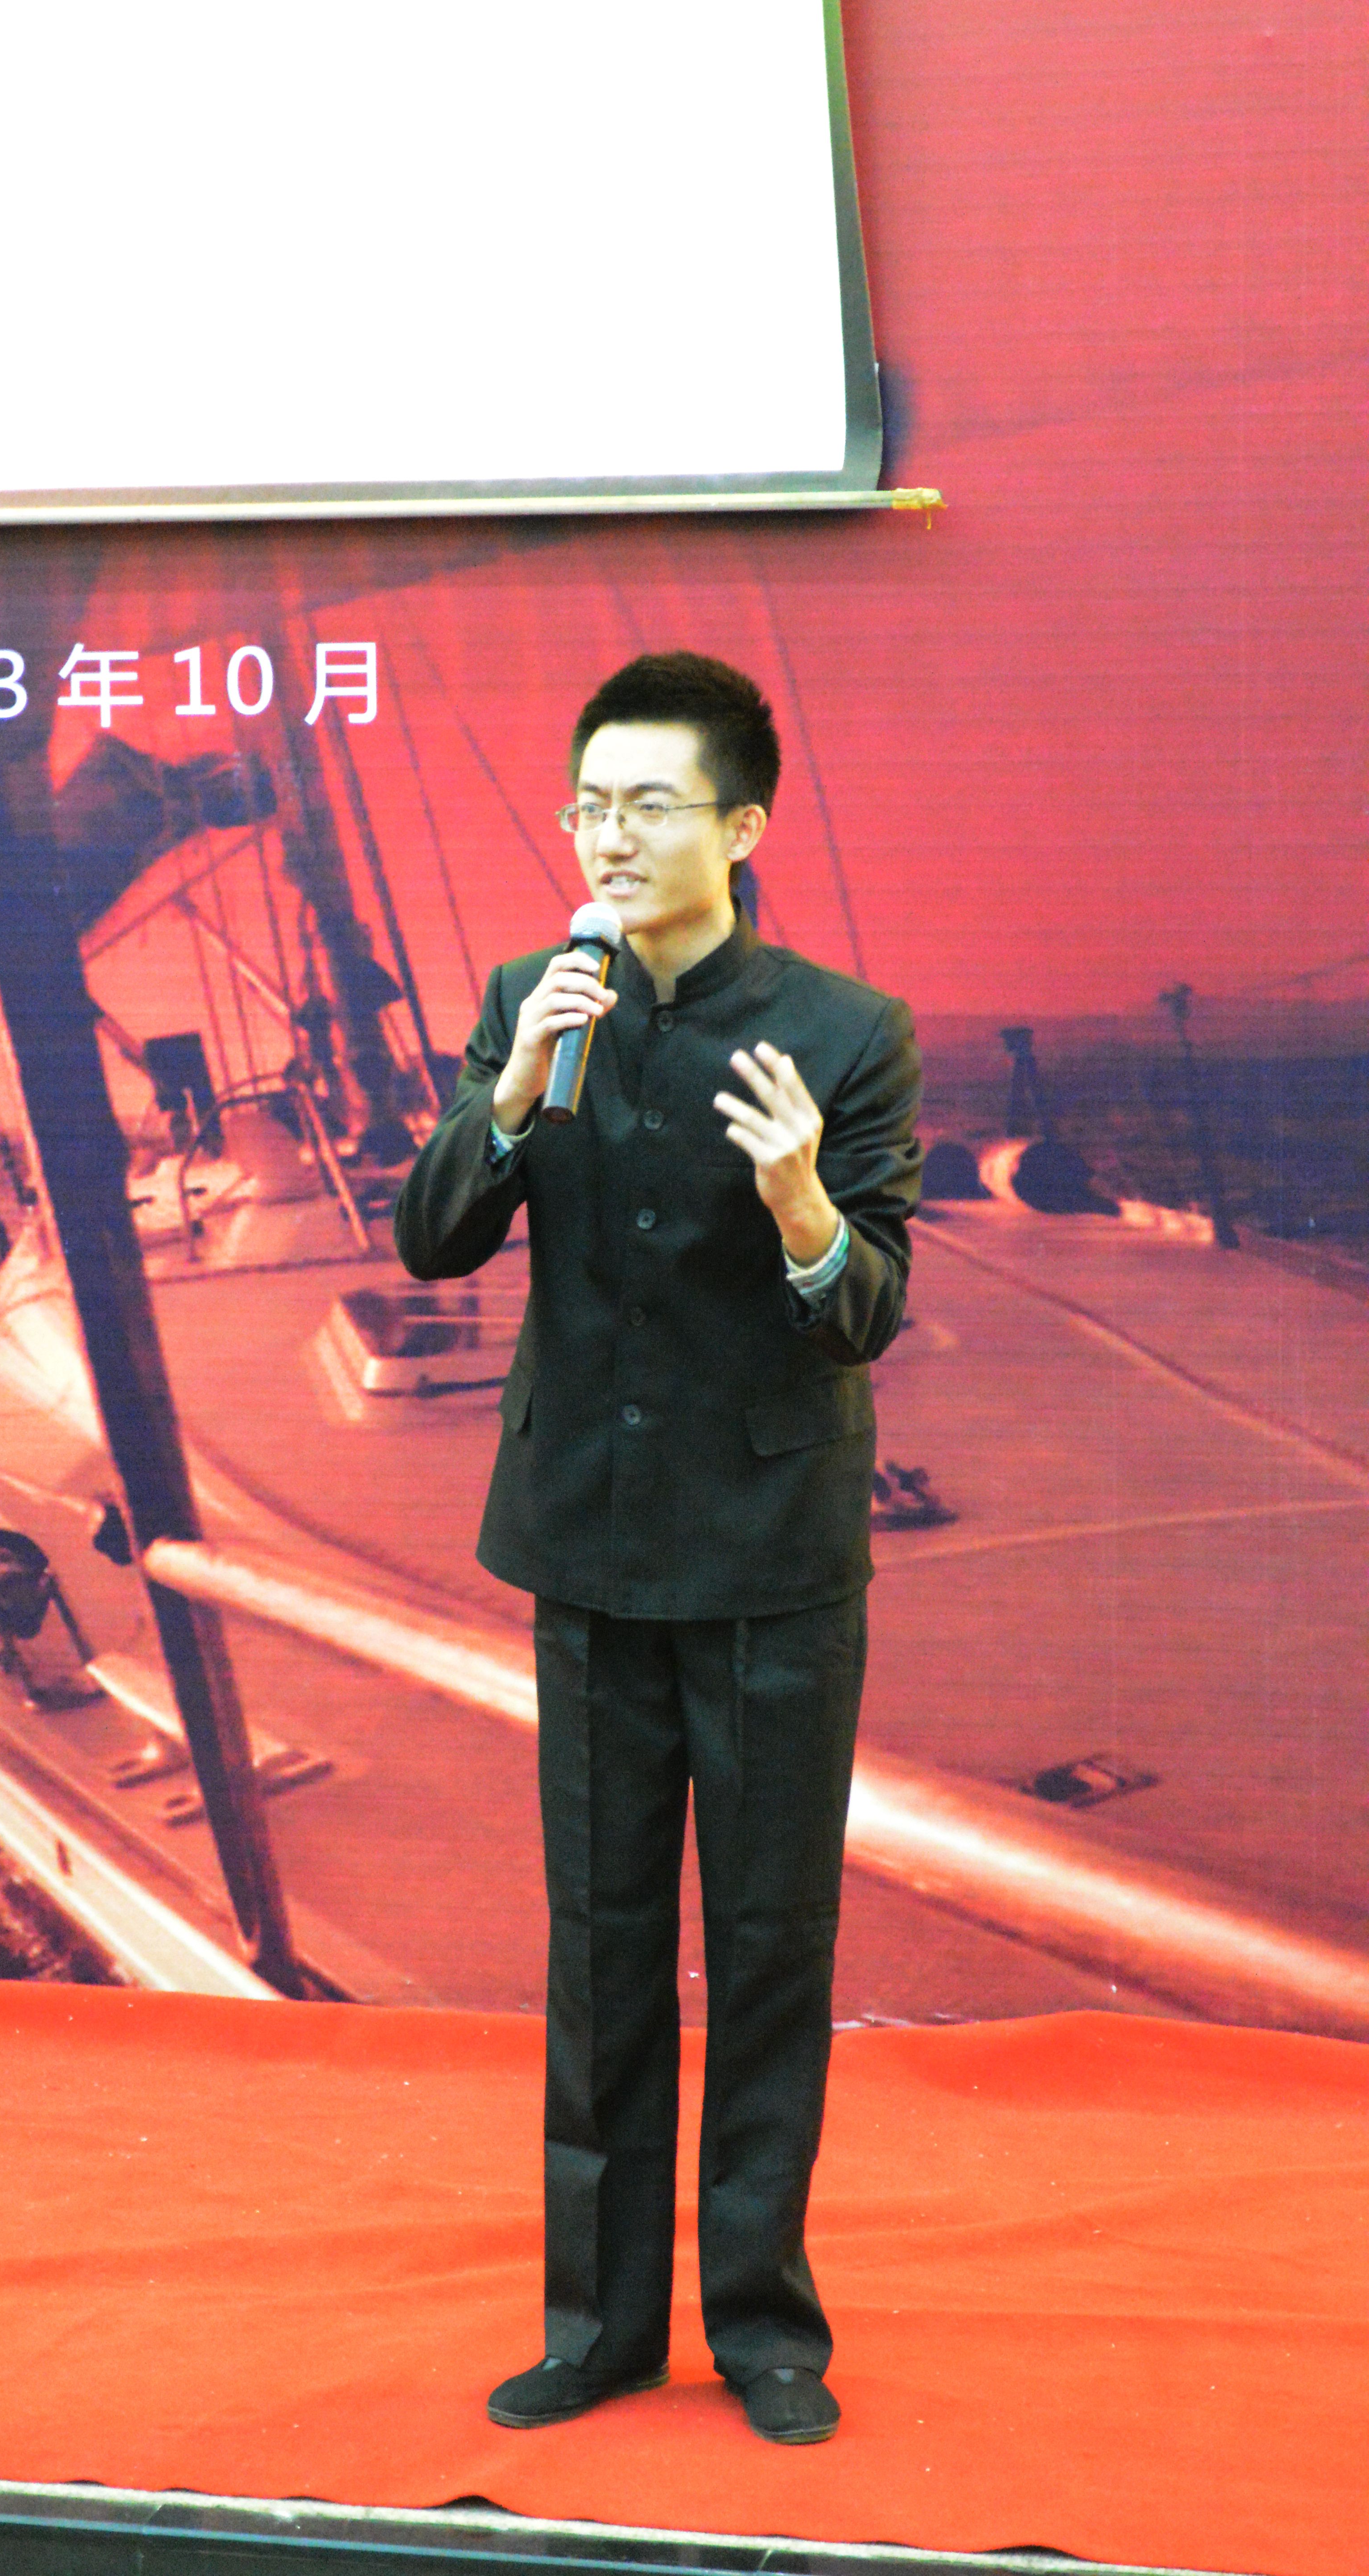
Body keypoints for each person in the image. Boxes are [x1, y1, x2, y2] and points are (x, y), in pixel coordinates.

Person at [392, 652, 921, 2446]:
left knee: (769, 1946)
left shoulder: (848, 1032)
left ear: (741, 826)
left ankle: (763, 2327)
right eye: (588, 804)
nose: (608, 836)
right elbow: (433, 1241)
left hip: (773, 1560)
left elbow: (865, 1313)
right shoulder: (525, 998)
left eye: (648, 805)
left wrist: (800, 1201)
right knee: (603, 1944)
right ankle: (599, 2325)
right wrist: (517, 1088)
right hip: (590, 1551)